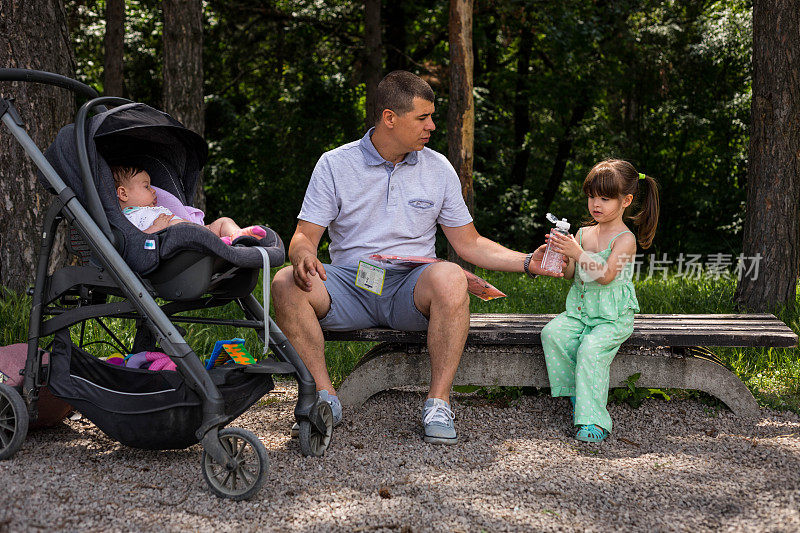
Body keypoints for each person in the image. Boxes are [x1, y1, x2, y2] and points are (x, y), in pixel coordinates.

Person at [271, 70, 561, 445]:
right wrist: (303, 255)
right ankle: (324, 398)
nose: (432, 126)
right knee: (284, 282)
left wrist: (527, 261)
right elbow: (303, 236)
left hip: (410, 288)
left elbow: (469, 243)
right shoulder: (334, 164)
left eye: (431, 117)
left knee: (452, 275)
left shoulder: (438, 167)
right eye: (423, 118)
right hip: (348, 284)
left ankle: (438, 402)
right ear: (390, 118)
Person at [540, 159, 659, 443]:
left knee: (591, 350)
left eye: (605, 198)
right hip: (581, 311)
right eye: (592, 196)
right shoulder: (583, 233)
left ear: (626, 200)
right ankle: (580, 397)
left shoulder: (624, 239)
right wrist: (560, 255)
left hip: (612, 316)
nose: (596, 204)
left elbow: (605, 276)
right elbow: (572, 273)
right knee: (552, 333)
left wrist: (578, 253)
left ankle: (594, 419)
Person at [112, 165, 266, 243]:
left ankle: (238, 237)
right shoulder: (128, 217)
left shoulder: (151, 208)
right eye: (147, 187)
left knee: (223, 221)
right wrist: (155, 229)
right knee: (196, 235)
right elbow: (134, 242)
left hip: (196, 233)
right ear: (123, 194)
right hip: (181, 246)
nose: (154, 191)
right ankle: (221, 245)